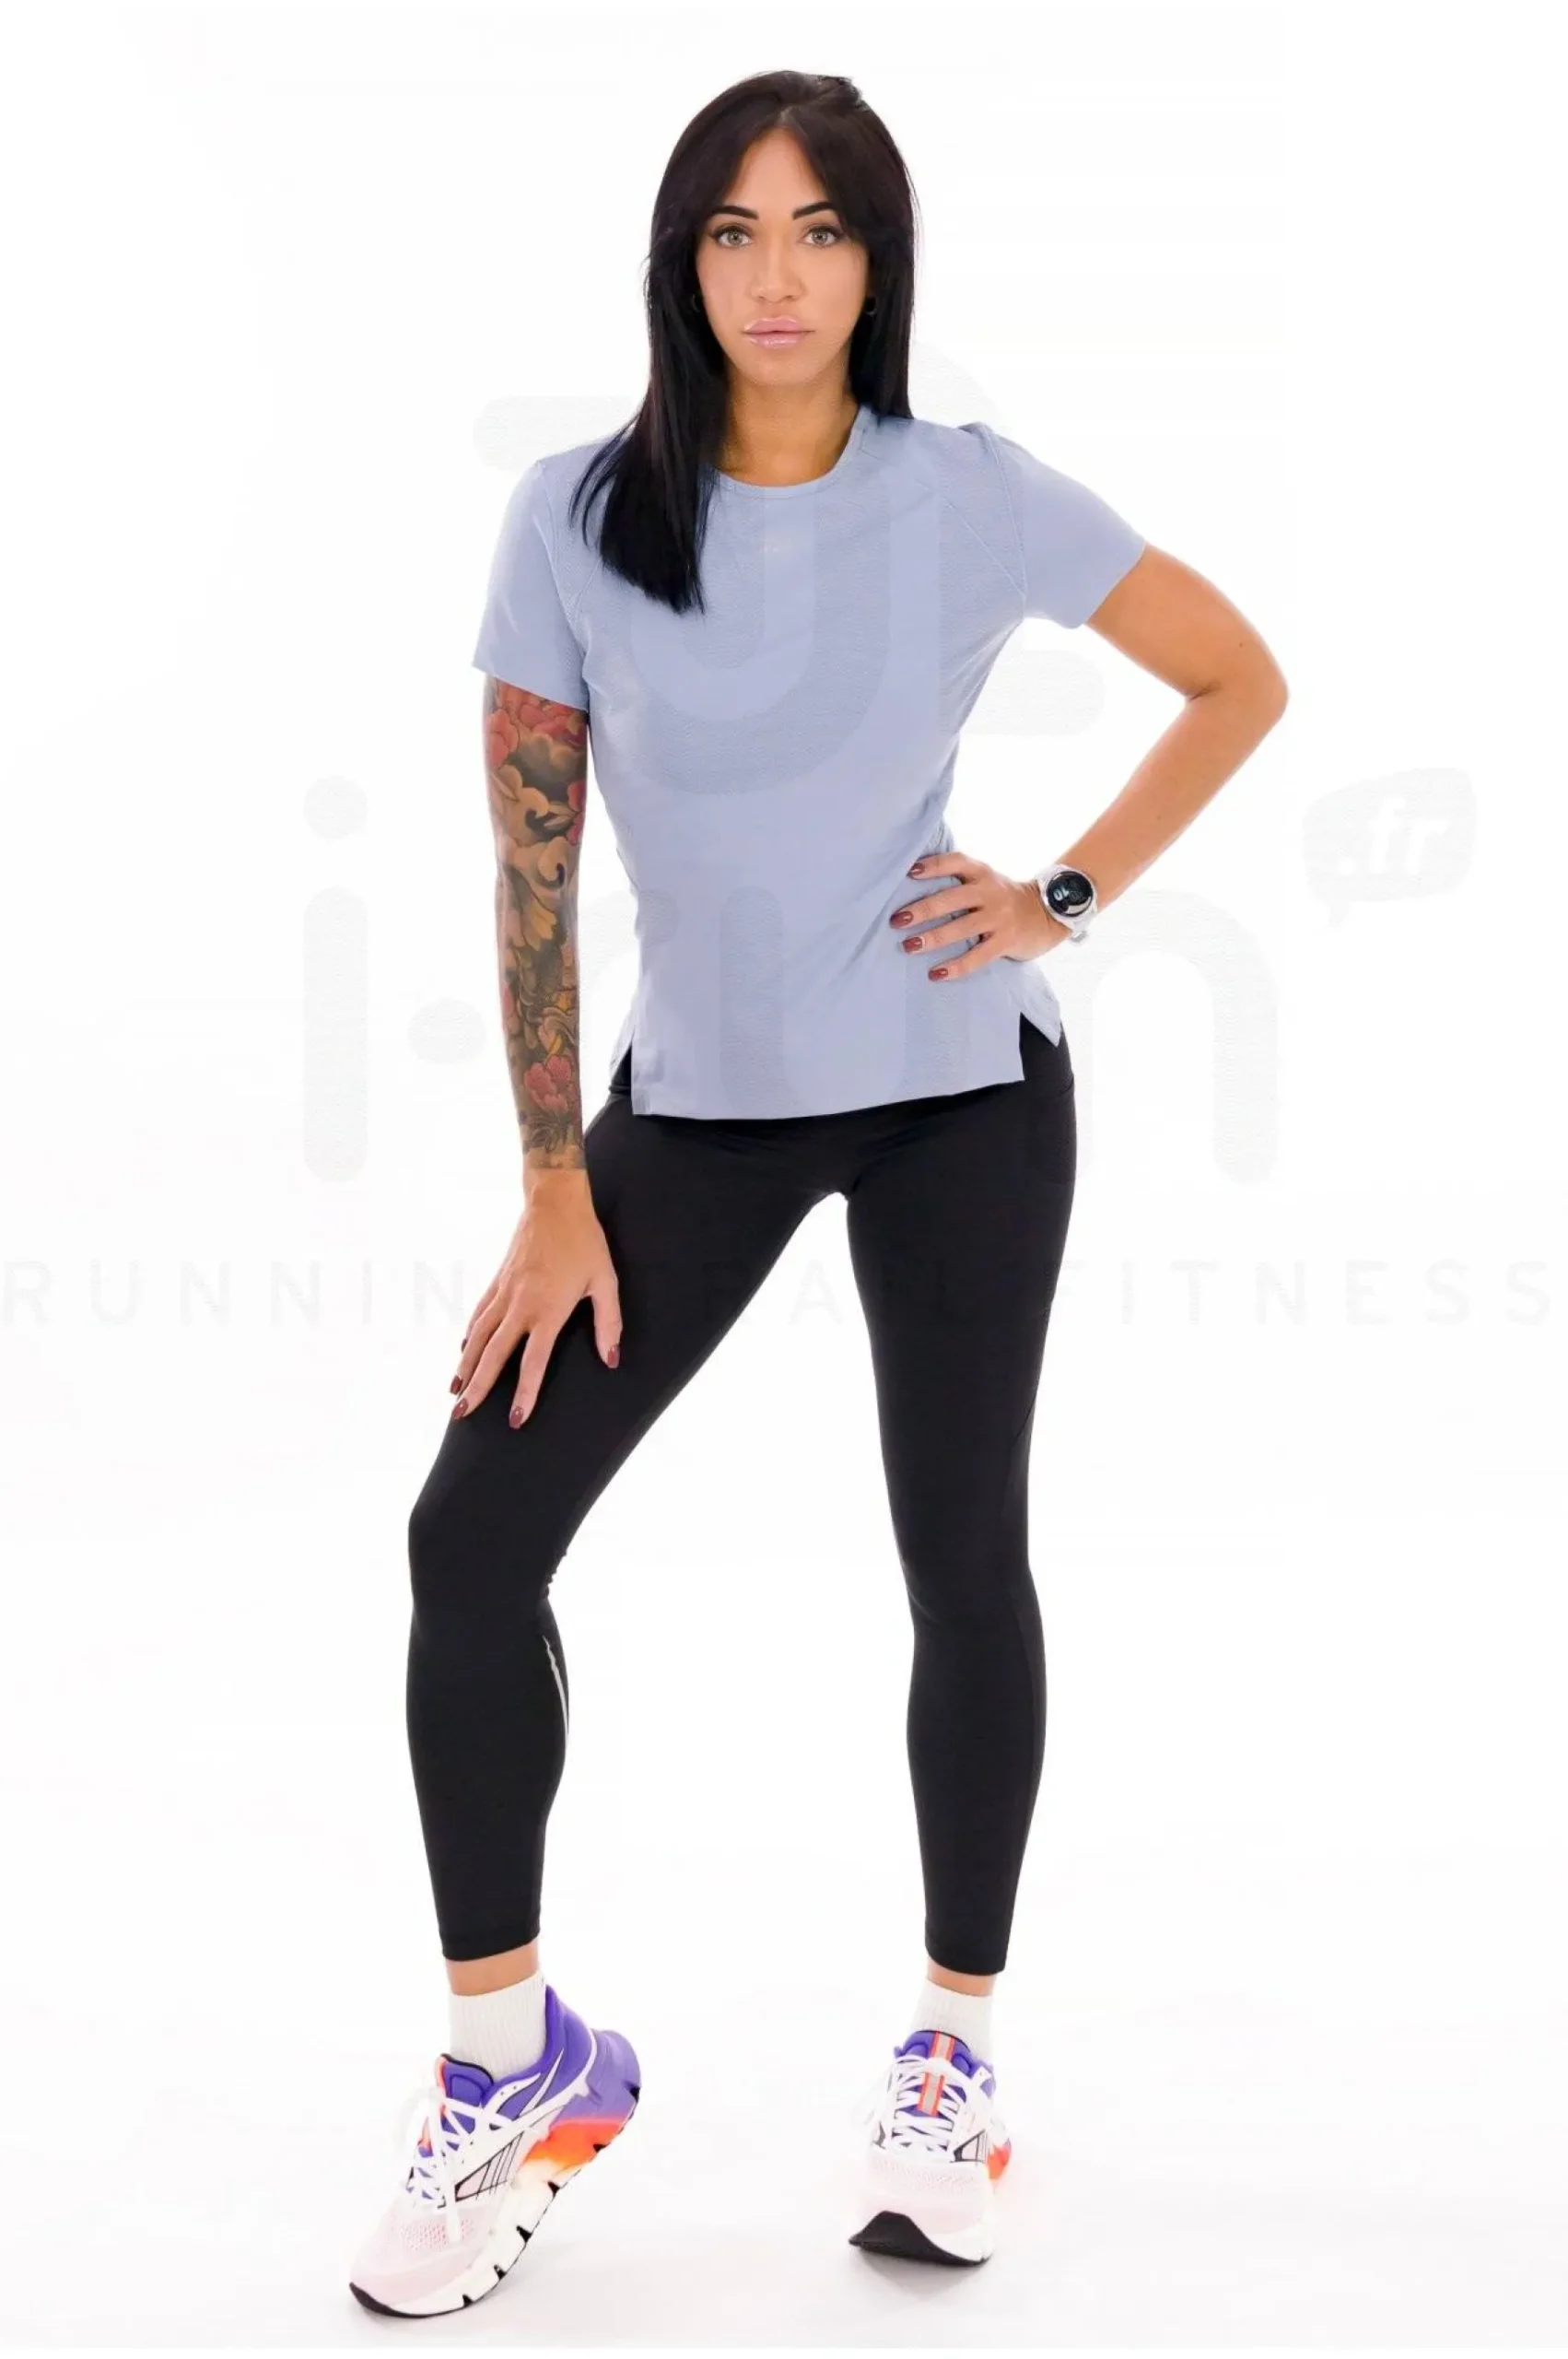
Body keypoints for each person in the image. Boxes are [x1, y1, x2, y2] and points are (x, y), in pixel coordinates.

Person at [347, 71, 1287, 2318]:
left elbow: (1233, 674)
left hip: (961, 1096)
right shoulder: (576, 515)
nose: (777, 276)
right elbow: (531, 870)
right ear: (680, 264)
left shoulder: (967, 494)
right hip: (697, 1116)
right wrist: (555, 1183)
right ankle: (513, 2056)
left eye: (822, 230)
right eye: (733, 232)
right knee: (469, 1538)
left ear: (879, 262)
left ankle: (950, 2057)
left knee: (959, 1555)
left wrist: (1058, 894)